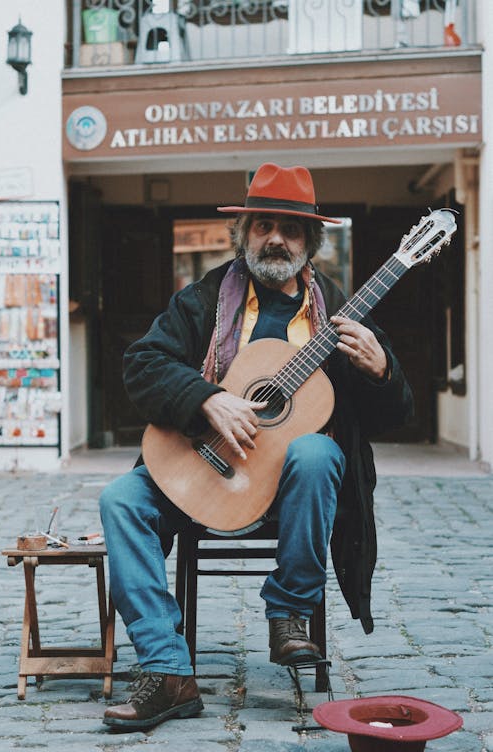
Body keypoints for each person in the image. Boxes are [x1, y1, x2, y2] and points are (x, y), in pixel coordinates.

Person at [99, 162, 414, 730]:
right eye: (263, 224)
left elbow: (396, 414)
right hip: (205, 463)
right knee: (121, 500)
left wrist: (381, 369)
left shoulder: (339, 313)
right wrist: (204, 399)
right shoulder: (202, 299)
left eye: (291, 228)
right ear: (242, 233)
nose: (276, 238)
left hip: (293, 488)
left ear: (310, 241)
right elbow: (141, 363)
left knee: (318, 454)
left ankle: (290, 614)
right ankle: (167, 670)